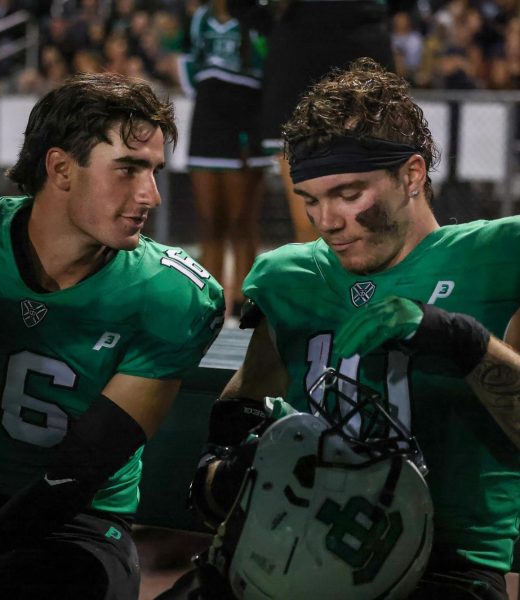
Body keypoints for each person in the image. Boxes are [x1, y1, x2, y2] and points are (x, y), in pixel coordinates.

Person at [169, 58, 520, 599]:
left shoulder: (497, 256)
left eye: (348, 194)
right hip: (290, 554)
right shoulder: (287, 276)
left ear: (412, 175)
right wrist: (231, 474)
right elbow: (228, 441)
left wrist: (464, 343)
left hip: (443, 572)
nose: (326, 220)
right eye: (310, 199)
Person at [0, 72, 225, 600]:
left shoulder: (169, 292)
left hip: (83, 525)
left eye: (153, 170)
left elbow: (77, 473)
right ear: (60, 167)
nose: (150, 193)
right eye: (128, 169)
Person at [230, 0, 394, 243]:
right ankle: (321, 279)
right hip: (305, 64)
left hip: (342, 59)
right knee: (316, 227)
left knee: (369, 223)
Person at [159, 0, 272, 319]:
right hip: (207, 120)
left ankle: (246, 299)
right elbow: (179, 60)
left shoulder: (257, 17)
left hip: (245, 119)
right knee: (209, 222)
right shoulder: (200, 20)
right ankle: (211, 300)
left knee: (241, 220)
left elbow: (270, 63)